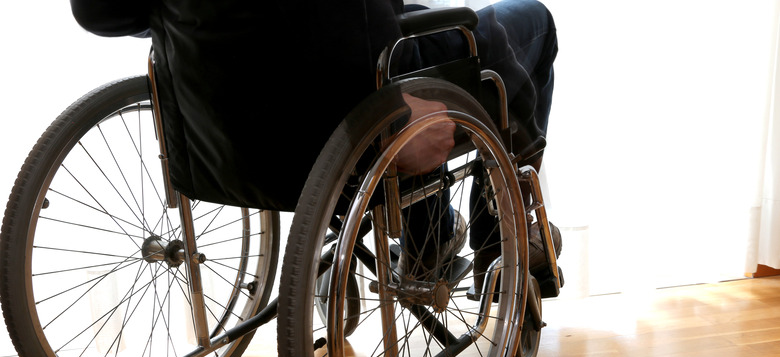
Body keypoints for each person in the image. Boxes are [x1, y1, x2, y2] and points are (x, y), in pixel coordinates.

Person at [69, 0, 561, 280]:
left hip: (221, 136)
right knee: (531, 20)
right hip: (347, 117)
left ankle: (429, 231)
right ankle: (495, 244)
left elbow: (101, 12)